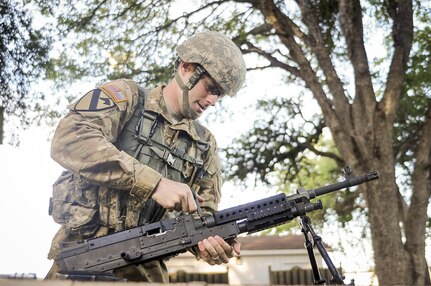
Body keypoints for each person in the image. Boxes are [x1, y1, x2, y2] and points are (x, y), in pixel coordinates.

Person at [45, 31, 246, 282]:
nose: (213, 101)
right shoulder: (126, 98)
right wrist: (155, 184)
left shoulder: (204, 145)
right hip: (82, 262)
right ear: (186, 67)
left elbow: (202, 216)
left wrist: (211, 241)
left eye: (221, 94)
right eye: (211, 88)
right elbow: (71, 138)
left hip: (145, 274)